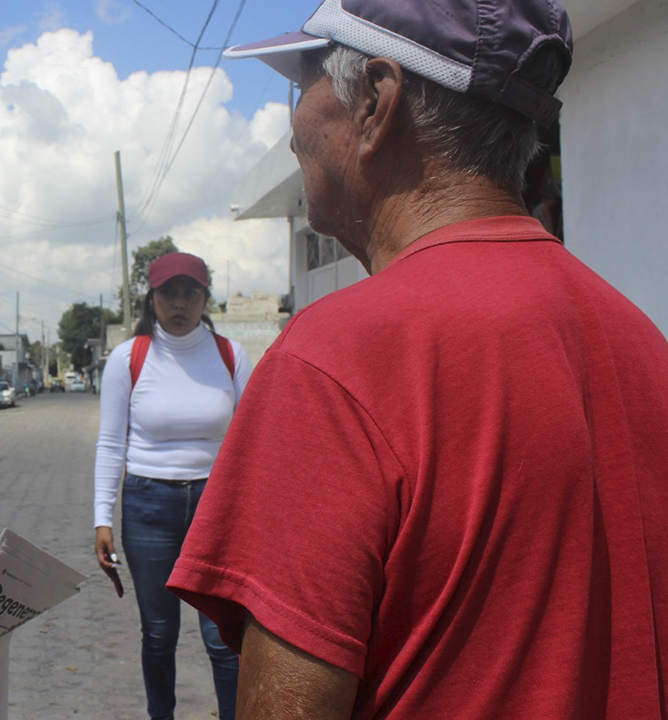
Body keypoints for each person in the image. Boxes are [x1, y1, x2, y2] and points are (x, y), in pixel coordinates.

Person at [167, 1, 668, 718]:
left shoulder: (334, 361)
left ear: (375, 99)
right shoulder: (640, 340)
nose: (290, 129)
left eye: (300, 83)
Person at [93, 252, 254, 720]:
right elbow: (109, 443)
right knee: (159, 633)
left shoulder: (230, 355)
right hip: (148, 507)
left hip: (216, 506)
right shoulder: (129, 359)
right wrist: (102, 517)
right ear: (152, 298)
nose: (179, 303)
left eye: (191, 292)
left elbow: (251, 436)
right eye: (168, 292)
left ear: (206, 298)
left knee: (223, 637)